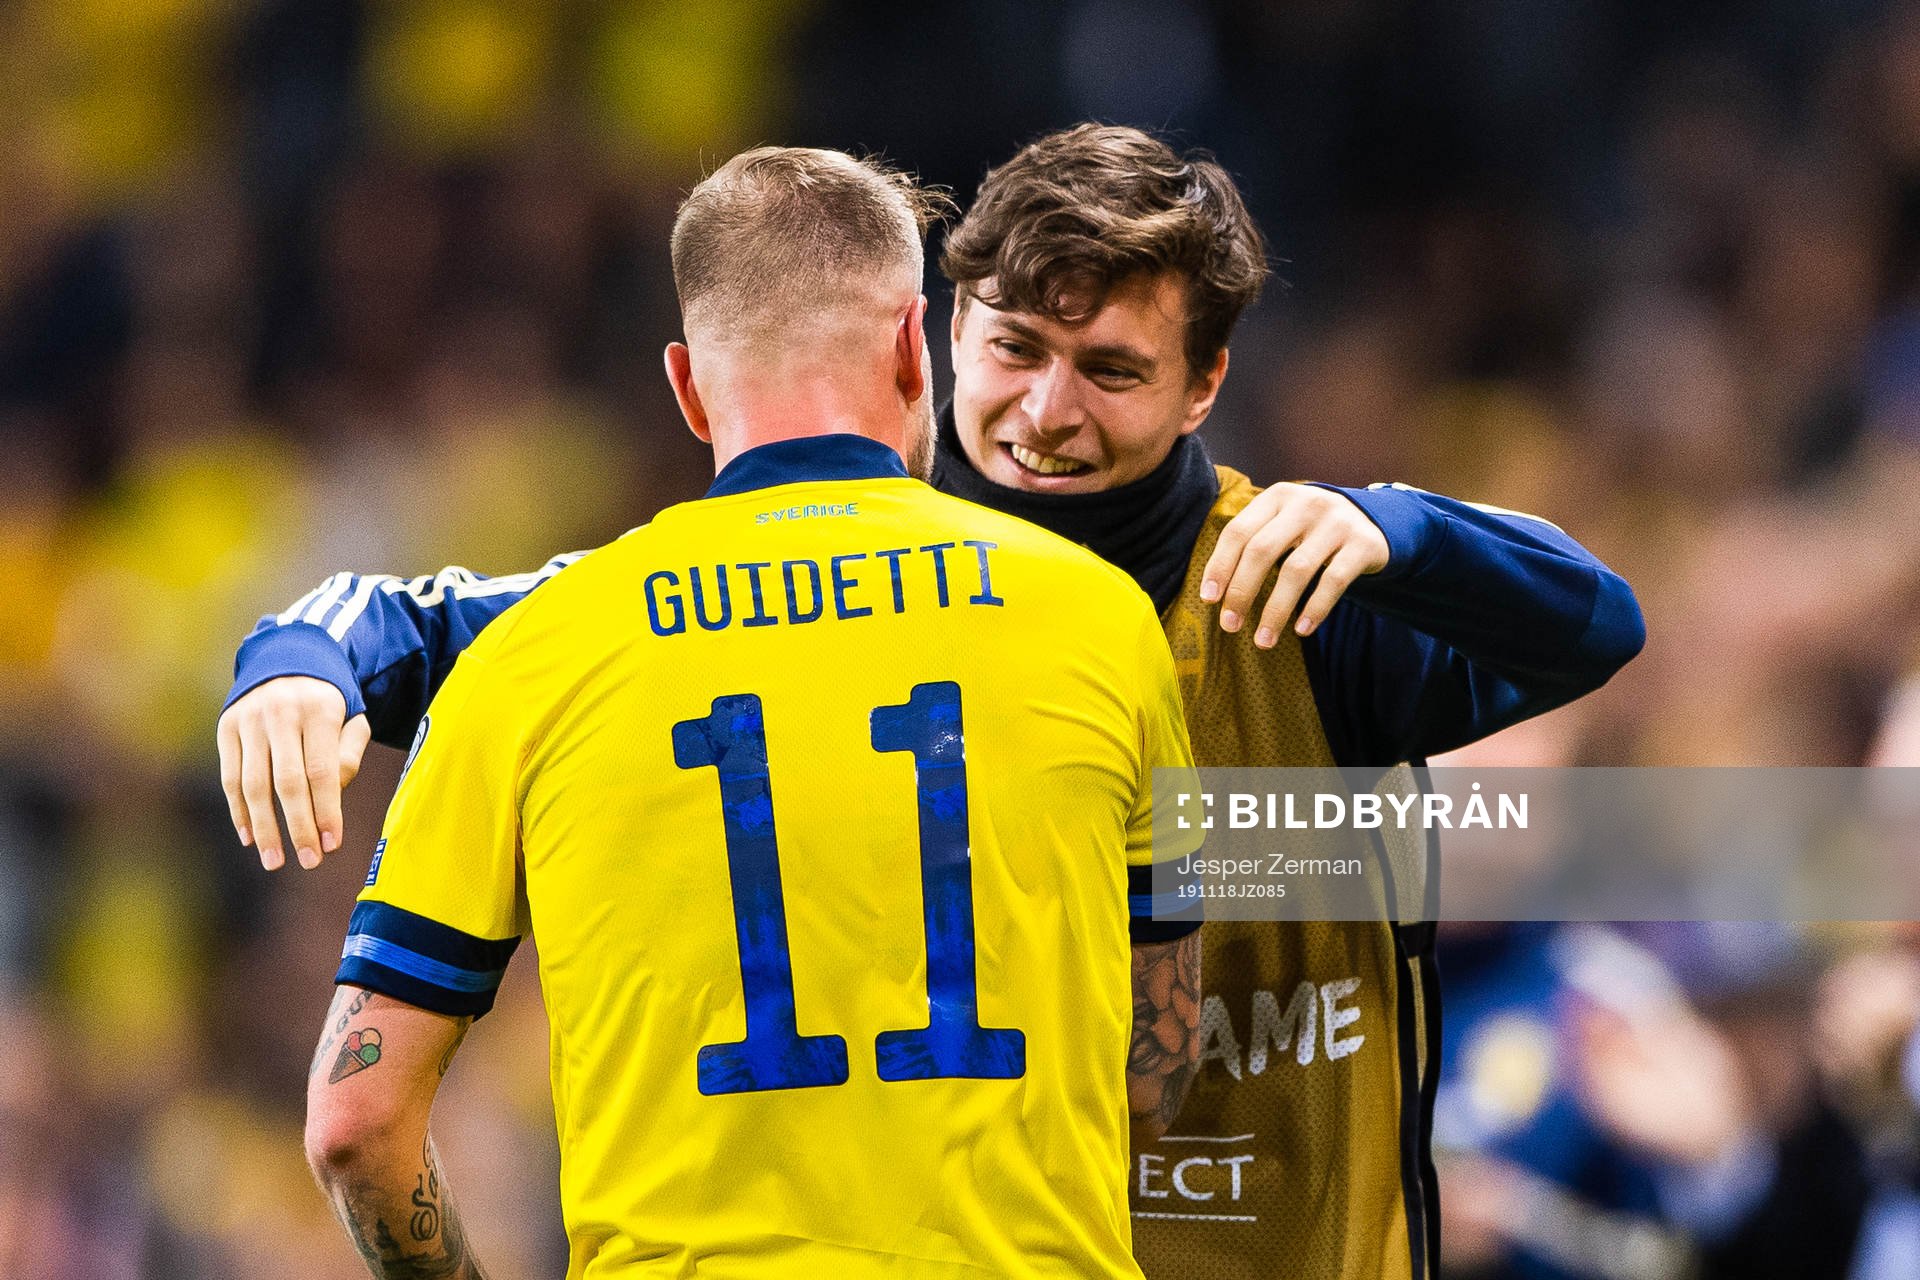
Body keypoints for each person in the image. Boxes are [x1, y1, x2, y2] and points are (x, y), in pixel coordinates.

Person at [228, 125, 1645, 1278]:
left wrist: (1406, 529)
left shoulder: (1297, 588)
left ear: (1207, 382)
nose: (1043, 413)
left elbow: (1596, 625)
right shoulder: (837, 572)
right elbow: (448, 623)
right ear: (935, 340)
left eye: (1111, 370)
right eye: (1014, 349)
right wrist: (301, 659)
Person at [298, 145, 1205, 1279]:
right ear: (913, 349)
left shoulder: (532, 654)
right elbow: (1155, 1068)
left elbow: (354, 1126)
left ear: (687, 386)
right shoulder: (1097, 617)